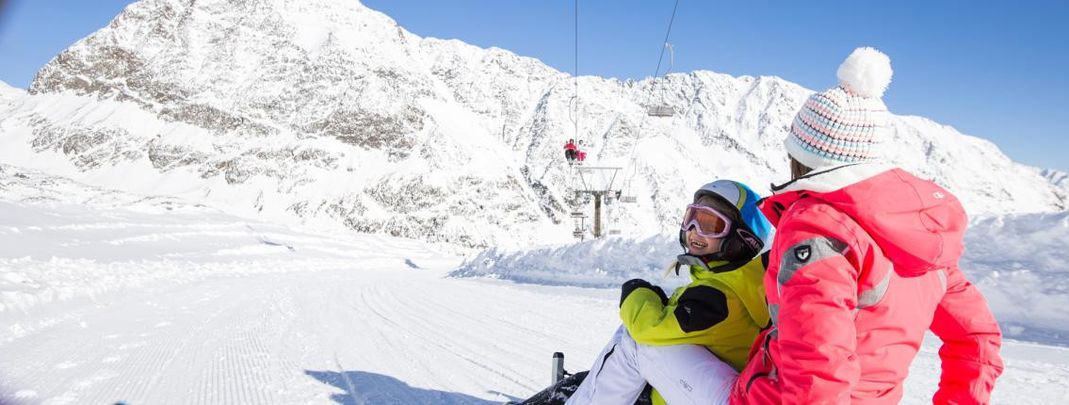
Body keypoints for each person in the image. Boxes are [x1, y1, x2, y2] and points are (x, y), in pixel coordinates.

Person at [729, 47, 1004, 404]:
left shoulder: (817, 227)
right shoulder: (922, 237)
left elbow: (818, 368)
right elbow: (976, 337)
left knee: (659, 354)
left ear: (801, 156)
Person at [518, 179, 774, 405]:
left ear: (741, 240)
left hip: (710, 393)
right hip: (698, 389)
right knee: (587, 380)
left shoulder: (721, 296)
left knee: (632, 340)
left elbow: (649, 328)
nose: (694, 230)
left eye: (709, 224)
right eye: (691, 218)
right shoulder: (739, 283)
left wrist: (638, 293)